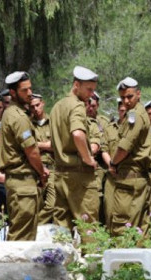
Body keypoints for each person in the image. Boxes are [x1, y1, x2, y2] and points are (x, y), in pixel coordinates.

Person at [0, 71, 49, 240]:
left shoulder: (12, 113)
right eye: (24, 90)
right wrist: (42, 172)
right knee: (21, 236)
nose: (29, 93)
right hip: (22, 182)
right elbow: (32, 151)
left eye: (30, 89)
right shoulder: (19, 117)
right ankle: (15, 268)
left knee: (27, 235)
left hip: (21, 181)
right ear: (13, 93)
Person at [49, 66, 100, 230]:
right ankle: (92, 257)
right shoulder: (77, 106)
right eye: (89, 89)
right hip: (78, 174)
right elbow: (78, 134)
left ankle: (61, 256)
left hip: (60, 174)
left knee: (61, 227)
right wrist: (88, 158)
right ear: (76, 85)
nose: (91, 94)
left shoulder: (57, 106)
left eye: (93, 90)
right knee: (88, 227)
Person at [103, 77, 151, 235]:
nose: (126, 101)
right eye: (123, 97)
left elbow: (124, 147)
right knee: (138, 230)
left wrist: (113, 163)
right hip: (137, 178)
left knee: (121, 227)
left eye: (129, 96)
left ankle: (122, 260)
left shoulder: (134, 115)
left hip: (128, 179)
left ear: (138, 94)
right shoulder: (139, 113)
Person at [30, 93, 56, 224]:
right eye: (32, 106)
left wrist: (38, 145)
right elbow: (26, 147)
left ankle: (35, 225)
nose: (35, 108)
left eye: (37, 105)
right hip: (34, 169)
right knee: (36, 204)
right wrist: (47, 145)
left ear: (43, 103)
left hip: (52, 169)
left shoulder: (53, 122)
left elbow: (56, 145)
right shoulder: (27, 124)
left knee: (52, 204)